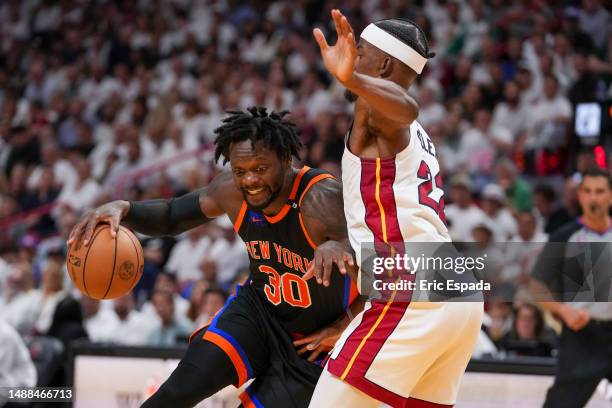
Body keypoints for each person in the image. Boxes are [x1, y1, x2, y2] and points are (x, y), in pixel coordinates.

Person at [68, 107, 362, 408]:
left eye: (261, 169)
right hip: (258, 314)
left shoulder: (321, 199)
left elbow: (402, 270)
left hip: (314, 343)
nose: (250, 180)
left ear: (286, 160)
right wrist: (125, 208)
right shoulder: (230, 192)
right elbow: (171, 216)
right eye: (240, 170)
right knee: (174, 394)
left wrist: (347, 323)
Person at [307, 10, 484, 407]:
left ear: (384, 64)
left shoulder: (378, 111)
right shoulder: (413, 135)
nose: (351, 54)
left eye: (361, 50)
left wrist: (351, 78)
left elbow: (406, 108)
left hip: (412, 293)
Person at [530, 167, 612, 408]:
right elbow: (537, 285)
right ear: (580, 196)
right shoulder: (564, 236)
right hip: (582, 335)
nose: (593, 197)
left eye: (599, 191)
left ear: (610, 195)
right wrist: (564, 311)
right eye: (587, 191)